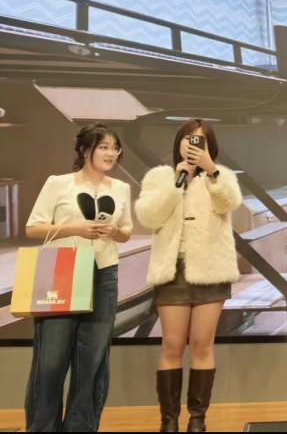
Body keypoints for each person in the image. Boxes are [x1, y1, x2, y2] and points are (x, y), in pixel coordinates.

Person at [23, 124, 133, 432]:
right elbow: (33, 228)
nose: (111, 153)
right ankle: (42, 427)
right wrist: (76, 229)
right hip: (63, 272)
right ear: (86, 150)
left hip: (104, 273)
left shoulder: (120, 188)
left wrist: (115, 231)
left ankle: (81, 427)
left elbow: (126, 232)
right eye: (103, 147)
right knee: (51, 361)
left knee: (93, 361)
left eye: (115, 148)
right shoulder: (58, 183)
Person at [136, 119, 242, 432]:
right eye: (187, 139)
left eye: (199, 140)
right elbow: (148, 216)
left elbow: (230, 203)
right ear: (178, 143)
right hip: (173, 272)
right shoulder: (160, 177)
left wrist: (211, 171)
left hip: (211, 271)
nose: (191, 145)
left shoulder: (221, 176)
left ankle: (197, 420)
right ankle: (169, 421)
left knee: (202, 344)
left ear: (209, 146)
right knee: (171, 345)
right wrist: (176, 183)